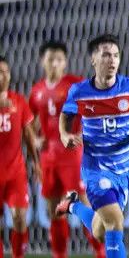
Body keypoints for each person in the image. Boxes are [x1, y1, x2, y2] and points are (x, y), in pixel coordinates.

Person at [56, 34, 129, 258]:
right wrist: (64, 134)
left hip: (122, 171)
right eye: (105, 55)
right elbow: (65, 115)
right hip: (95, 169)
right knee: (115, 222)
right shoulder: (80, 92)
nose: (112, 60)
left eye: (116, 55)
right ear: (93, 60)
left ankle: (72, 205)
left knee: (100, 230)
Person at [29, 40, 105, 258]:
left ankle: (101, 252)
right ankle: (59, 255)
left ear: (65, 63)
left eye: (59, 59)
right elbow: (30, 124)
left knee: (85, 206)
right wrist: (34, 140)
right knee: (55, 211)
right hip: (48, 158)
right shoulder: (37, 91)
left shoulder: (75, 85)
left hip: (72, 155)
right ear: (42, 61)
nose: (55, 63)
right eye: (51, 58)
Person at [0, 55, 41, 258]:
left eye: (5, 71)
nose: (3, 76)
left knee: (19, 217)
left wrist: (36, 162)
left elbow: (28, 135)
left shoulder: (19, 101)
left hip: (15, 172)